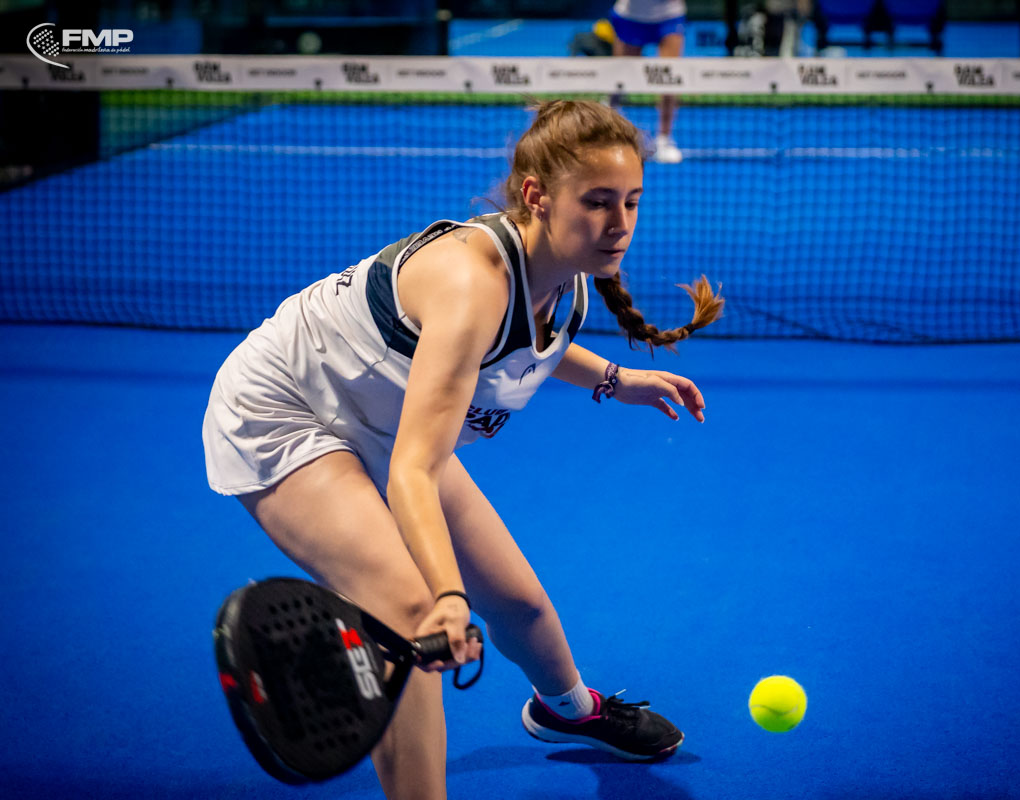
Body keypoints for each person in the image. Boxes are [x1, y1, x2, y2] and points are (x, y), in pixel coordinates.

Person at [201, 99, 723, 800]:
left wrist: (614, 377)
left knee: (519, 602)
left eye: (631, 200)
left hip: (384, 413)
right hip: (286, 409)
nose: (620, 222)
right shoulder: (471, 284)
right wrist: (445, 597)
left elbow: (526, 345)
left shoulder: (566, 281)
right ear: (537, 196)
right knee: (410, 615)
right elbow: (415, 469)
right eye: (598, 201)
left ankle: (566, 710)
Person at [607, 0, 687, 163]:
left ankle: (664, 139)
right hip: (631, 16)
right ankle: (607, 129)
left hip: (669, 16)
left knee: (669, 78)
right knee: (619, 79)